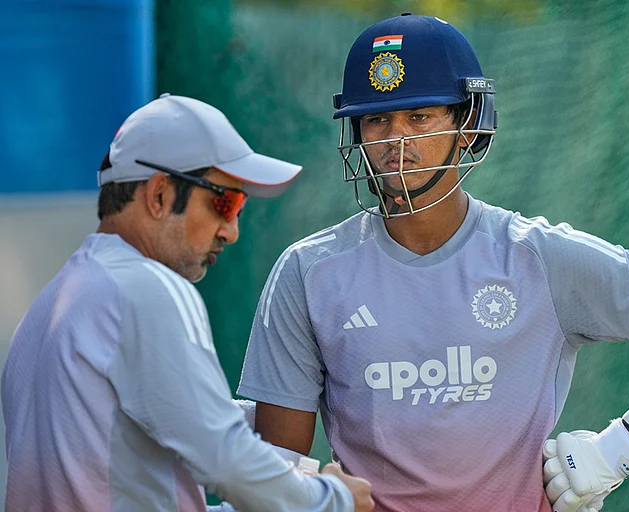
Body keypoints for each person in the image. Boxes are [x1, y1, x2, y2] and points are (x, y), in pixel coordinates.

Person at [236, 13, 629, 512]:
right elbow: (282, 471)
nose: (397, 141)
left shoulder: (539, 255)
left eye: (419, 117)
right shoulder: (309, 271)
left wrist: (620, 448)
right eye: (376, 120)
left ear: (467, 125)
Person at [1, 94, 375, 512]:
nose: (231, 231)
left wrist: (281, 411)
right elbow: (225, 461)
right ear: (159, 195)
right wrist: (334, 499)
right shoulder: (145, 288)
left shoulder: (58, 300)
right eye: (225, 201)